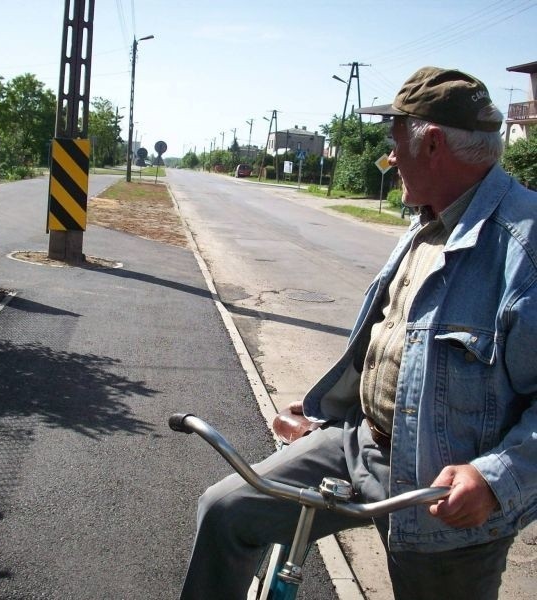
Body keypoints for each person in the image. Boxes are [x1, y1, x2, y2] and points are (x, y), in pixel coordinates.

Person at [180, 66, 537, 600]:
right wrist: (325, 415)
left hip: (441, 499)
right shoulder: (429, 220)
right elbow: (394, 344)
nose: (389, 159)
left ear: (433, 143)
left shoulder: (524, 248)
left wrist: (495, 480)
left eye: (395, 141)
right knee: (227, 511)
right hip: (360, 445)